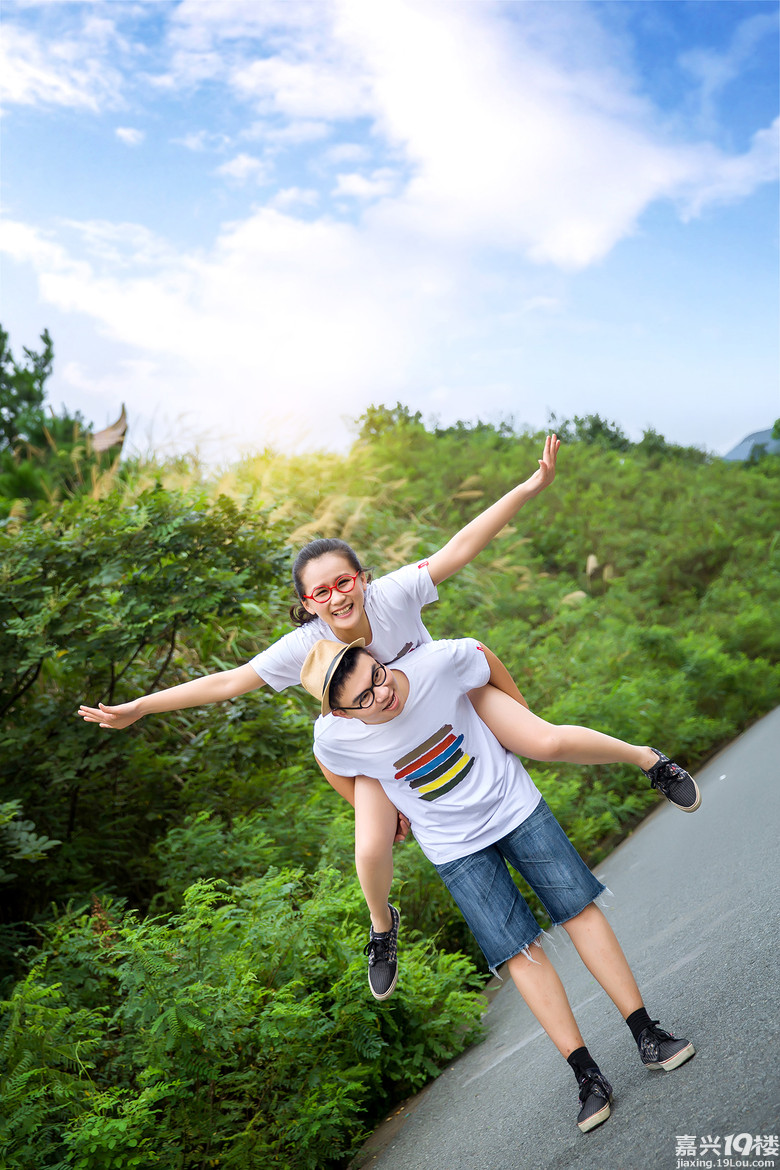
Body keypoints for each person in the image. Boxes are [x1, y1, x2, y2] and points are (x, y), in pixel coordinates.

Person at [78, 435, 699, 980]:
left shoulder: (396, 594)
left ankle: (647, 761)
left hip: (444, 701)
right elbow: (226, 683)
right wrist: (139, 706)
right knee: (371, 846)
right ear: (308, 604)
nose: (336, 596)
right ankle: (382, 927)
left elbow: (462, 546)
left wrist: (530, 486)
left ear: (363, 579)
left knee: (546, 743)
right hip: (381, 745)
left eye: (344, 581)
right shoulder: (301, 649)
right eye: (320, 592)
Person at [302, 636, 696, 1134]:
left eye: (376, 677)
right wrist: (371, 806)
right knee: (519, 951)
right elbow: (329, 760)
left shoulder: (435, 664)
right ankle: (587, 1075)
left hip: (513, 804)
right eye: (361, 699)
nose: (380, 695)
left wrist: (518, 713)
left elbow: (482, 655)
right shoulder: (336, 737)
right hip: (454, 847)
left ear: (378, 661)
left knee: (578, 910)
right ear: (339, 713)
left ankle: (648, 1034)